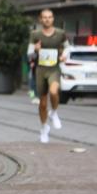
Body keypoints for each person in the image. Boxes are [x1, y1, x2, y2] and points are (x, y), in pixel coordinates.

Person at [30, 9, 67, 142]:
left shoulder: (60, 33)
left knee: (54, 91)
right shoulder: (35, 34)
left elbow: (68, 47)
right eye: (44, 17)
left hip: (54, 68)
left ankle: (54, 112)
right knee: (43, 104)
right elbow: (29, 53)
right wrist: (35, 50)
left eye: (50, 17)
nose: (47, 19)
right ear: (40, 20)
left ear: (53, 19)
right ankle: (44, 128)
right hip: (41, 70)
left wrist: (64, 55)